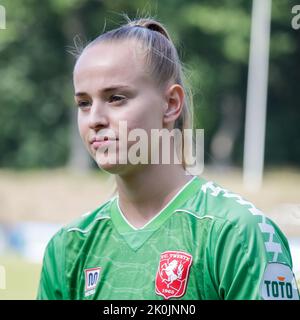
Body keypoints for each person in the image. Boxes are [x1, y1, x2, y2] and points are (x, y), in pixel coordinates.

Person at [37, 16, 299, 300]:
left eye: (116, 98)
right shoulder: (68, 247)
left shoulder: (236, 233)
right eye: (84, 103)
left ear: (171, 104)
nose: (95, 119)